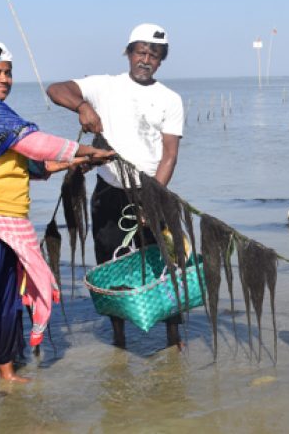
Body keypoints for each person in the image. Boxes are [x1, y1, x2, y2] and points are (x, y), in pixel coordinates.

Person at [0, 40, 115, 403]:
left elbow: (34, 164)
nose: (4, 80)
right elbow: (33, 143)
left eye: (8, 73)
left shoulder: (0, 116)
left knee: (7, 300)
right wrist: (83, 149)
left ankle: (7, 370)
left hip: (10, 220)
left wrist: (81, 161)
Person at [47, 23, 186, 350]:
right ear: (129, 53)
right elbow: (55, 89)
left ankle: (173, 336)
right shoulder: (103, 86)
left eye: (154, 54)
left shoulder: (170, 99)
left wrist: (152, 199)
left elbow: (170, 155)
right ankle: (119, 336)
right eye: (140, 52)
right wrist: (82, 106)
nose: (146, 59)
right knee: (111, 264)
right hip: (109, 192)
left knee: (164, 262)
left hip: (154, 191)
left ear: (161, 60)